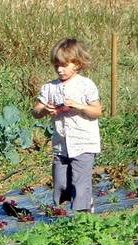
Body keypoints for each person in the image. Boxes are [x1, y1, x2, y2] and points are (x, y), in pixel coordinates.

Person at [32, 38, 102, 213]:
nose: (59, 69)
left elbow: (97, 111)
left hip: (84, 142)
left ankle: (82, 214)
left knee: (80, 180)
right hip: (61, 144)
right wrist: (45, 111)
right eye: (56, 65)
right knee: (61, 182)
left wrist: (80, 106)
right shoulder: (50, 87)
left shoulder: (85, 85)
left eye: (64, 65)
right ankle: (67, 206)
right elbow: (36, 110)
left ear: (77, 64)